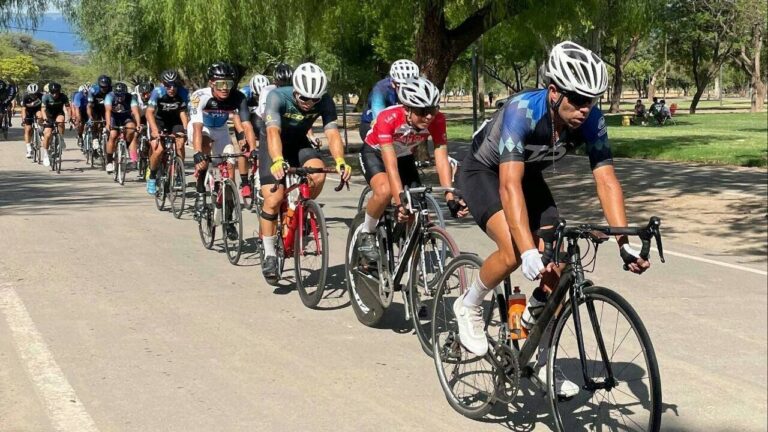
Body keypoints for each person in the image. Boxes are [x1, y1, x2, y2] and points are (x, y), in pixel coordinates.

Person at [453, 41, 651, 398]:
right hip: (484, 173)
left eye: (591, 100)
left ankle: (538, 354)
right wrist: (528, 250)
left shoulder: (591, 119)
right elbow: (509, 185)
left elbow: (606, 179)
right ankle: (468, 304)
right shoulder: (522, 112)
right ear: (554, 90)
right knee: (514, 252)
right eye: (576, 99)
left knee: (559, 266)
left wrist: (624, 241)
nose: (584, 108)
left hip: (528, 177)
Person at [356, 76, 468, 260]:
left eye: (433, 109)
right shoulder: (389, 118)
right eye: (423, 111)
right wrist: (400, 202)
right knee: (385, 191)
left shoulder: (437, 120)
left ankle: (407, 258)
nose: (429, 116)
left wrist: (450, 196)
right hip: (375, 153)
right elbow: (391, 166)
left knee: (417, 204)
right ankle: (367, 232)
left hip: (404, 156)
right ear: (407, 109)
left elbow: (441, 158)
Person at [258, 62, 351, 284]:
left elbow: (332, 133)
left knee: (318, 174)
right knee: (273, 198)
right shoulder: (277, 97)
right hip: (273, 142)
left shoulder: (326, 101)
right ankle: (270, 253)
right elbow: (272, 132)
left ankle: (302, 208)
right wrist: (278, 160)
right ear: (295, 90)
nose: (310, 104)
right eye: (304, 99)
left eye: (315, 100)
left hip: (298, 142)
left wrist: (340, 161)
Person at [190, 61, 257, 240]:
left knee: (230, 165)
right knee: (203, 149)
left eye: (229, 83)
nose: (225, 88)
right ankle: (199, 193)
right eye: (221, 84)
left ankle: (228, 218)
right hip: (202, 129)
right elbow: (197, 128)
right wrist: (197, 152)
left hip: (220, 131)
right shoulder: (200, 96)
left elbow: (246, 125)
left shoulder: (238, 97)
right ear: (212, 83)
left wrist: (253, 149)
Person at [145, 70, 190, 195]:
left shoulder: (183, 92)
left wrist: (186, 130)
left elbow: (183, 112)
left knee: (180, 144)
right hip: (159, 121)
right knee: (158, 149)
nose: (172, 88)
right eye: (168, 85)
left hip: (175, 121)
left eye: (174, 85)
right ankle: (152, 177)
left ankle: (179, 173)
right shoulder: (157, 92)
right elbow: (149, 112)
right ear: (163, 84)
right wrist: (154, 130)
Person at [358, 59, 420, 141]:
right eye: (401, 85)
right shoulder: (381, 89)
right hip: (370, 123)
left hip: (398, 123)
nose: (407, 89)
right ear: (393, 83)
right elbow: (378, 121)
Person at [234, 73, 270, 198]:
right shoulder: (244, 94)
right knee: (244, 149)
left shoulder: (270, 93)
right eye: (256, 96)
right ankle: (244, 182)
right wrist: (242, 135)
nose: (259, 98)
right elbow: (237, 117)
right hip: (243, 120)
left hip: (258, 119)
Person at [104, 82, 141, 173]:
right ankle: (109, 161)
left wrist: (138, 124)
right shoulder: (109, 96)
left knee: (131, 129)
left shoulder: (131, 97)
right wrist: (108, 123)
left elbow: (136, 112)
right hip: (114, 117)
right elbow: (108, 111)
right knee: (113, 135)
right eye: (118, 96)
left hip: (125, 116)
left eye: (122, 95)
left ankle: (127, 146)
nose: (120, 98)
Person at [40, 82, 70, 166]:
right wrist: (45, 119)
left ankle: (60, 138)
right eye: (52, 93)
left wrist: (70, 117)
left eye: (56, 92)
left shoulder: (63, 96)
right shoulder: (45, 97)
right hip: (48, 115)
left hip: (58, 114)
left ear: (59, 91)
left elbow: (68, 107)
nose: (54, 95)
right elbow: (43, 109)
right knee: (47, 134)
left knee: (61, 121)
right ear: (49, 92)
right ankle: (45, 154)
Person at [87, 75, 113, 155]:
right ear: (99, 85)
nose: (104, 89)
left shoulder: (112, 90)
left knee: (110, 124)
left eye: (106, 87)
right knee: (95, 123)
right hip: (95, 108)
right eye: (102, 87)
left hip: (107, 109)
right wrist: (90, 117)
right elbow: (89, 106)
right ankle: (95, 139)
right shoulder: (93, 90)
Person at [21, 83, 44, 158]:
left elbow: (44, 108)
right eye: (31, 94)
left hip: (37, 110)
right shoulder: (25, 97)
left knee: (40, 116)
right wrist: (24, 118)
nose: (33, 96)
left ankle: (40, 130)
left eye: (35, 94)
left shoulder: (42, 96)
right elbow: (23, 109)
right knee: (28, 129)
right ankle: (28, 149)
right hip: (28, 111)